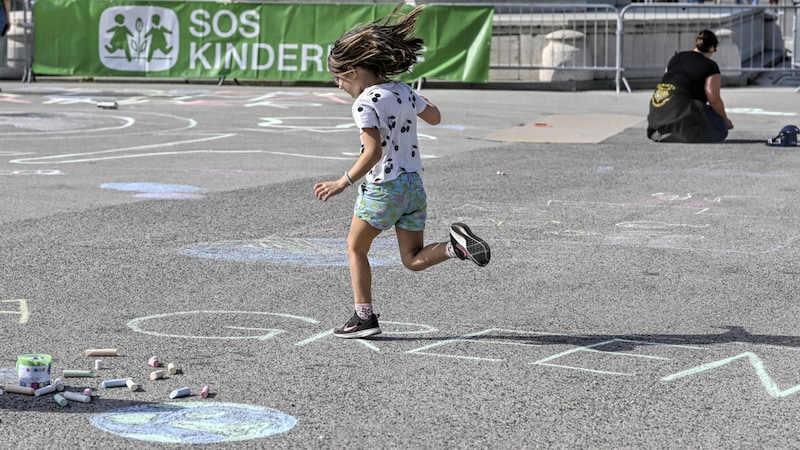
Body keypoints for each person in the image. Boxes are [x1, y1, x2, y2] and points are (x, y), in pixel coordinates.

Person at [313, 3, 491, 339]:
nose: (339, 86)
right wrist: (410, 100)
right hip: (413, 188)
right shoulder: (403, 91)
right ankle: (456, 247)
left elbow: (373, 151)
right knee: (411, 258)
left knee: (355, 247)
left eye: (338, 78)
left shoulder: (364, 101)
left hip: (384, 188)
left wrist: (342, 182)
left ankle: (364, 317)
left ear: (352, 70)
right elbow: (436, 117)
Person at [647, 29, 734, 143]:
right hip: (681, 108)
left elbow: (667, 77)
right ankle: (678, 133)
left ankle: (663, 131)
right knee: (721, 130)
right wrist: (725, 119)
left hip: (657, 110)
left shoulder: (676, 58)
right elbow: (713, 97)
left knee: (685, 106)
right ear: (712, 48)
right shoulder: (710, 66)